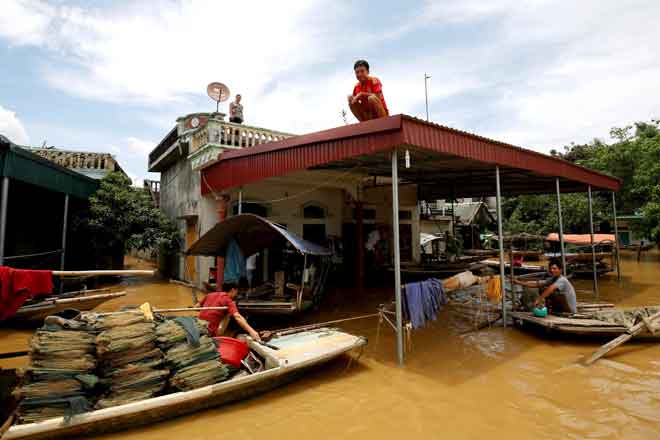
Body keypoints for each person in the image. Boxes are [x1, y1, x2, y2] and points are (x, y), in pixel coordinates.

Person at [195, 281, 261, 340]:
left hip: (197, 326)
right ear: (233, 290)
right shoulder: (228, 300)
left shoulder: (210, 295)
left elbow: (196, 307)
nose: (236, 294)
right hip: (209, 331)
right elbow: (238, 317)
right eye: (236, 291)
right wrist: (252, 331)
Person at [511, 259, 577, 314]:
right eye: (551, 268)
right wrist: (518, 282)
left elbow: (550, 289)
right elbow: (536, 284)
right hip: (561, 309)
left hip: (569, 310)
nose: (552, 270)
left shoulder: (562, 280)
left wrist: (539, 299)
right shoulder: (553, 279)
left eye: (554, 268)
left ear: (560, 270)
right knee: (543, 289)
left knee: (546, 291)